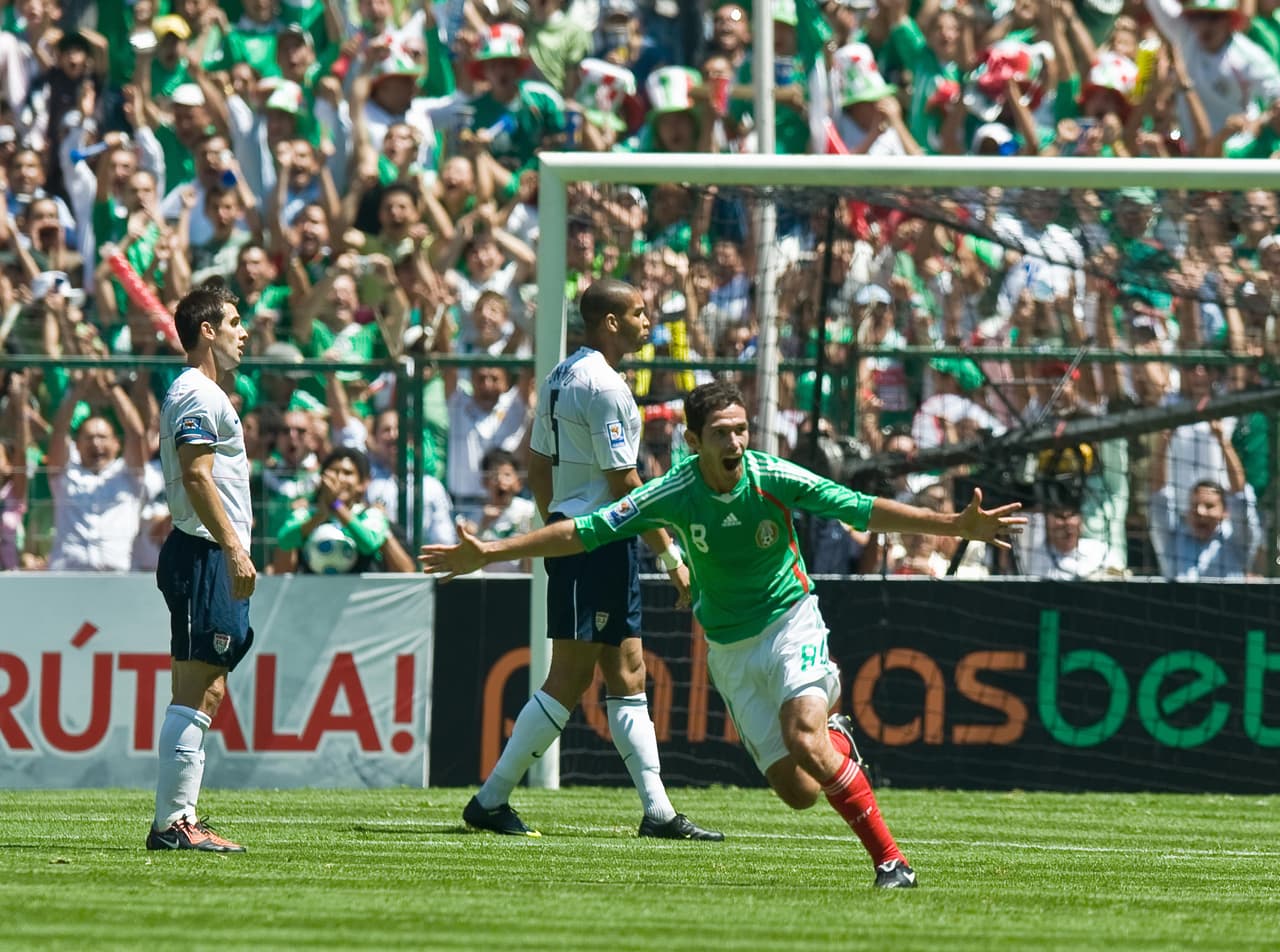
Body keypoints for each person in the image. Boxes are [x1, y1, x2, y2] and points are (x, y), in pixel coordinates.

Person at [422, 380, 1026, 887]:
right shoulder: (675, 490)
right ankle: (835, 742)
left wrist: (953, 523)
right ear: (693, 442)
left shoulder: (771, 475)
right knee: (799, 791)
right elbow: (584, 531)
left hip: (791, 621)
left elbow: (859, 507)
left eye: (742, 429)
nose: (735, 441)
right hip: (731, 651)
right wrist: (493, 550)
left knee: (804, 735)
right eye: (722, 433)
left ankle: (892, 862)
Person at [453, 279, 720, 842]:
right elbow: (627, 485)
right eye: (640, 313)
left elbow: (537, 463)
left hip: (591, 541)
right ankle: (491, 799)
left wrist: (557, 520)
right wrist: (670, 554)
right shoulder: (604, 385)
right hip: (596, 544)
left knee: (628, 672)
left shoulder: (559, 375)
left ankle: (659, 812)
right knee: (568, 679)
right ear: (610, 322)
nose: (649, 322)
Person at [149, 285, 254, 853]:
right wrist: (234, 546)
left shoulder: (204, 393)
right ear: (207, 330)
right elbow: (196, 477)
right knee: (198, 690)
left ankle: (179, 818)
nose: (245, 331)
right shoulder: (198, 393)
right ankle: (172, 824)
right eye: (235, 321)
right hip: (205, 552)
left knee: (204, 687)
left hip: (205, 551)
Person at [271, 446, 416, 574]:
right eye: (334, 471)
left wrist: (336, 506)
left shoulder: (371, 515)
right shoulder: (306, 514)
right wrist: (319, 517)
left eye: (347, 473)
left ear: (362, 484)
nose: (340, 478)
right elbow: (284, 540)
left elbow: (368, 543)